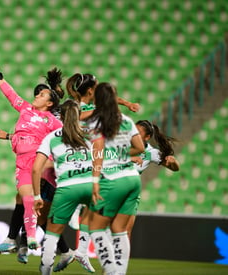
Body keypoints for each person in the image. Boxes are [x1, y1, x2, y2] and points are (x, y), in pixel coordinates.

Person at [0, 59, 62, 249]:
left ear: (49, 103)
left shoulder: (51, 121)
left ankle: (28, 239)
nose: (37, 95)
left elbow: (70, 134)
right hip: (22, 164)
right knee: (28, 200)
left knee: (40, 198)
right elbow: (11, 94)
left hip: (40, 163)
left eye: (42, 95)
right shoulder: (25, 108)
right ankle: (31, 239)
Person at [32, 99, 104, 275]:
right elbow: (101, 155)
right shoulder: (91, 133)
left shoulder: (52, 137)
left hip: (66, 188)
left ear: (61, 116)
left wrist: (36, 197)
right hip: (90, 185)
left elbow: (36, 169)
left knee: (52, 232)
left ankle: (46, 268)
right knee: (104, 228)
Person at [86, 82, 145, 275]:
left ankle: (111, 271)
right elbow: (140, 148)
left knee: (95, 227)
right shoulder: (126, 120)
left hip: (112, 180)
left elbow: (98, 153)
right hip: (133, 179)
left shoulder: (97, 121)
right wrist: (121, 154)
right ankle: (119, 272)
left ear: (97, 98)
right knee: (119, 228)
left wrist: (95, 181)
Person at [126, 119, 180, 239]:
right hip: (112, 188)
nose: (132, 133)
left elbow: (175, 168)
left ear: (147, 137)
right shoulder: (121, 145)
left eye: (137, 132)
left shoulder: (150, 153)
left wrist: (174, 162)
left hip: (130, 194)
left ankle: (121, 258)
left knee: (125, 232)